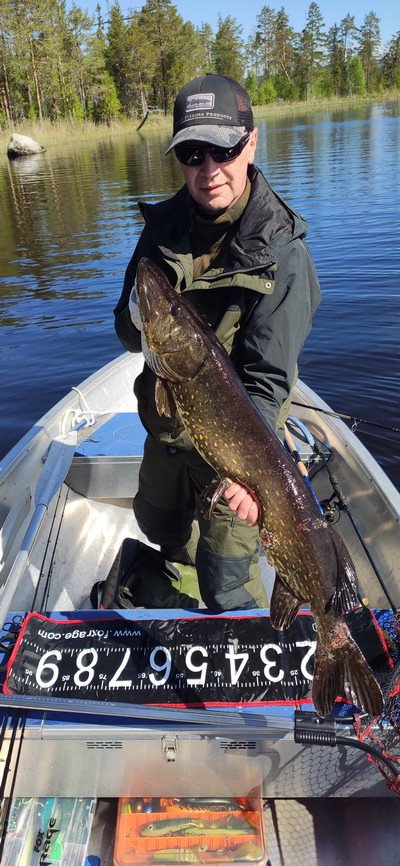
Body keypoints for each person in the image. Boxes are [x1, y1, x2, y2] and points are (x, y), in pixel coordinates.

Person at [114, 73, 321, 612]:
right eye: (192, 153)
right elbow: (125, 330)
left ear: (251, 141)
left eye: (224, 149)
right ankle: (180, 613)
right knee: (167, 537)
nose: (209, 171)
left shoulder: (283, 253)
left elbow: (266, 381)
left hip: (241, 446)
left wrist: (255, 477)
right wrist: (141, 317)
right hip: (167, 436)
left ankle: (272, 656)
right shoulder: (159, 231)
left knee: (229, 582)